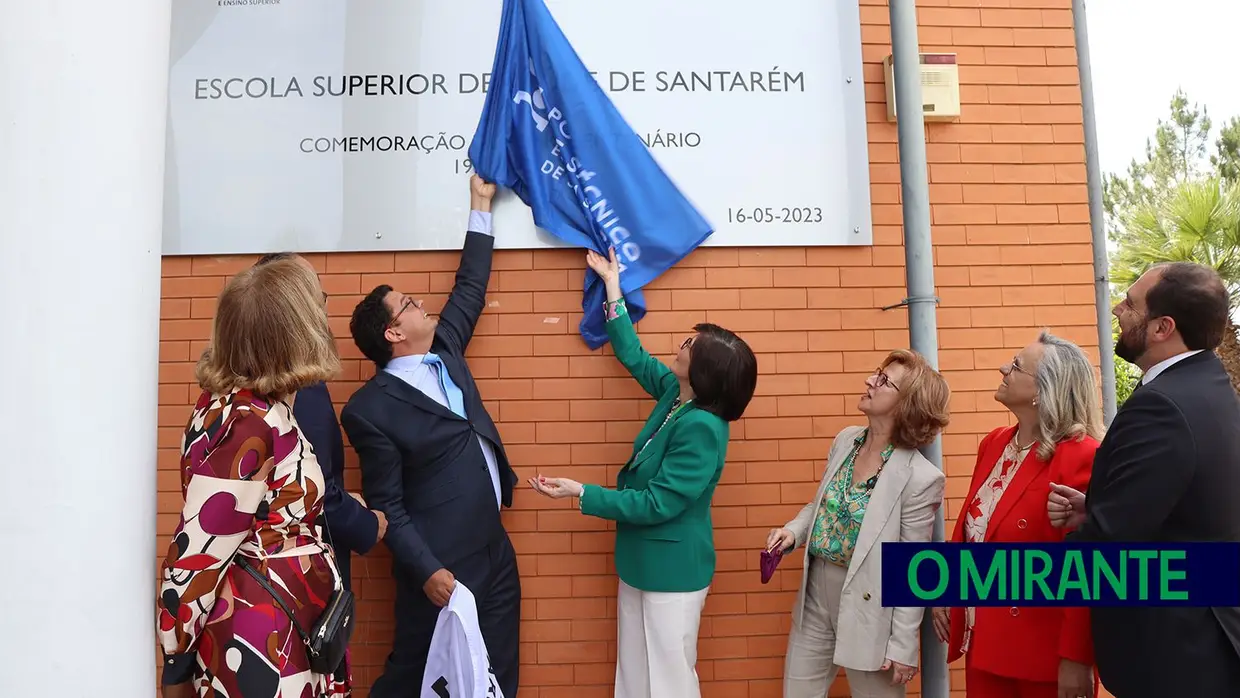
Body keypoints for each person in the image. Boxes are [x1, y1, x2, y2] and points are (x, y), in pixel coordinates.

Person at [529, 247, 758, 698]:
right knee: (634, 675)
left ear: (707, 372)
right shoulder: (677, 392)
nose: (681, 344)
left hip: (673, 572)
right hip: (641, 563)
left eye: (692, 346)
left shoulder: (703, 428)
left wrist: (582, 493)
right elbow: (633, 355)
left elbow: (658, 503)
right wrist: (612, 287)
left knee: (669, 681)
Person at [340, 175, 521, 698]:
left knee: (498, 675)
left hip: (494, 549)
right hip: (442, 568)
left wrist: (479, 204)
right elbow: (387, 503)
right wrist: (427, 571)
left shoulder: (447, 346)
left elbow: (470, 287)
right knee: (418, 678)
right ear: (393, 334)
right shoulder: (369, 410)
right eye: (409, 305)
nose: (422, 305)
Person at [157, 257, 349, 698]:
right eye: (316, 304)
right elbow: (197, 553)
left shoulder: (252, 407)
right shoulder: (246, 420)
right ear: (290, 331)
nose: (324, 314)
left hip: (284, 628)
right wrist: (176, 666)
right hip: (262, 644)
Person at [1048, 262, 1240, 697]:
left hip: (1176, 653)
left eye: (1131, 304)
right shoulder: (1208, 386)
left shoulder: (1164, 406)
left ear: (1162, 327)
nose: (1118, 309)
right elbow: (1179, 502)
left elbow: (1110, 543)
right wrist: (1096, 505)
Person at [766, 350, 949, 698]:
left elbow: (912, 566)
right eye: (876, 373)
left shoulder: (921, 478)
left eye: (883, 380)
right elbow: (823, 503)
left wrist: (902, 647)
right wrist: (793, 531)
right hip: (815, 594)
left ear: (905, 405)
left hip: (871, 608)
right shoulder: (846, 440)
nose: (870, 381)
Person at [932, 331, 1102, 698]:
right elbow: (975, 529)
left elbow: (1086, 566)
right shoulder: (994, 443)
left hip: (1042, 654)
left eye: (1015, 366)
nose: (1003, 368)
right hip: (986, 640)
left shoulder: (1081, 454)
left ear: (1044, 390)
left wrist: (1077, 658)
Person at [253, 252, 387, 685]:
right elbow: (316, 495)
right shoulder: (297, 384)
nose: (323, 307)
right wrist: (368, 523)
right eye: (317, 296)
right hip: (295, 597)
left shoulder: (245, 380)